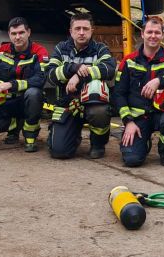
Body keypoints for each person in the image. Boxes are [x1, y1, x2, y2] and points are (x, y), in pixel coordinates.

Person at [111, 16, 164, 167]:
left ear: (162, 35)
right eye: (149, 32)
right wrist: (128, 121)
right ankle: (142, 141)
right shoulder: (129, 61)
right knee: (132, 160)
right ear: (142, 34)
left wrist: (160, 81)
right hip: (137, 118)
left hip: (162, 115)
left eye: (157, 32)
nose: (153, 36)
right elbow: (119, 94)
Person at [45, 12, 116, 159]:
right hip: (67, 105)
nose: (82, 32)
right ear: (71, 31)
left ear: (92, 30)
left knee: (100, 111)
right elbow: (50, 75)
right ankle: (72, 135)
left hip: (92, 105)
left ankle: (98, 144)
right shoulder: (61, 49)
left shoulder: (100, 49)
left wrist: (79, 76)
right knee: (59, 152)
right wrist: (72, 68)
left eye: (85, 29)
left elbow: (109, 69)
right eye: (77, 29)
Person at [0, 17, 50, 152]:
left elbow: (41, 78)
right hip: (6, 101)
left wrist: (11, 84)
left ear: (28, 32)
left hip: (27, 101)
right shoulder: (1, 50)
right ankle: (12, 129)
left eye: (21, 33)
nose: (17, 37)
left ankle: (30, 137)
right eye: (14, 34)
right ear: (9, 34)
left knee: (34, 93)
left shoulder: (39, 51)